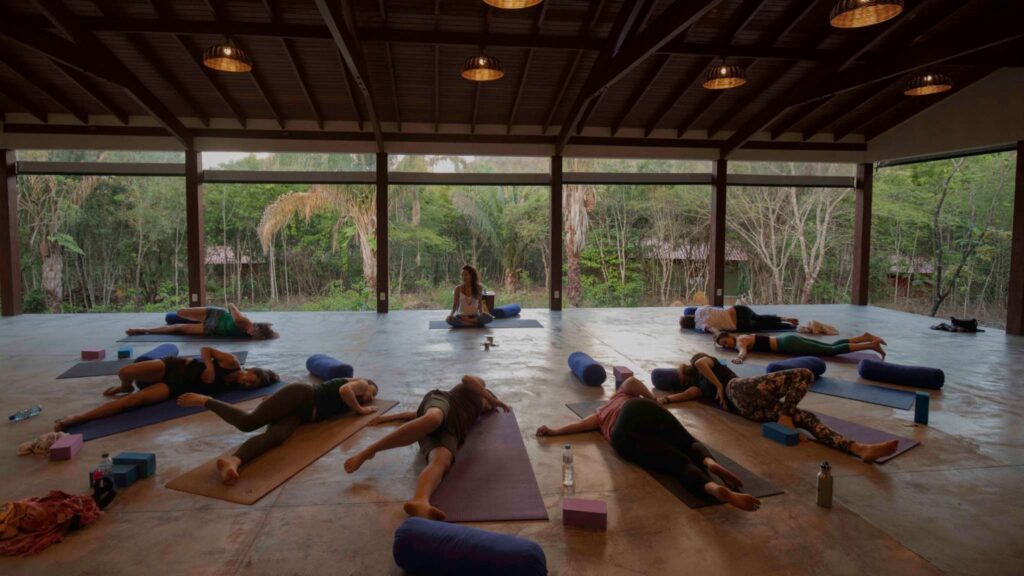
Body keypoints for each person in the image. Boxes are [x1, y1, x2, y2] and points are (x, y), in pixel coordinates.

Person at [536, 376, 760, 511]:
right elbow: (632, 381)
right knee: (688, 442)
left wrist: (553, 431)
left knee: (677, 464)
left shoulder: (600, 414)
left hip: (621, 436)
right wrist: (656, 403)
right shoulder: (621, 395)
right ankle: (709, 462)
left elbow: (581, 425)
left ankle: (711, 488)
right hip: (638, 409)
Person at [657, 352, 898, 463]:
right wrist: (666, 400)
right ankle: (785, 415)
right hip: (737, 389)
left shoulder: (702, 371)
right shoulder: (701, 370)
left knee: (807, 418)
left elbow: (698, 369)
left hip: (747, 409)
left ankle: (859, 449)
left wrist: (666, 399)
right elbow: (691, 383)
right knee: (803, 374)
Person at [343, 375, 509, 520]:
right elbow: (466, 378)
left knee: (443, 460)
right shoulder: (476, 389)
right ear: (486, 394)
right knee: (433, 418)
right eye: (489, 403)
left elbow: (416, 415)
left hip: (453, 430)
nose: (490, 407)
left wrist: (386, 419)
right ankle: (370, 450)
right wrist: (494, 399)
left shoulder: (474, 413)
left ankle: (420, 501)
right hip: (444, 403)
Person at [177, 377, 379, 485]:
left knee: (277, 437)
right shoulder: (359, 384)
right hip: (302, 396)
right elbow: (344, 391)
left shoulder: (354, 400)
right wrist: (361, 410)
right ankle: (205, 400)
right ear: (368, 384)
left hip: (302, 414)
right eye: (373, 392)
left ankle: (233, 461)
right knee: (249, 422)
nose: (371, 396)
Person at [53, 348, 277, 431]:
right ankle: (124, 385)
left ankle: (78, 418)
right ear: (251, 370)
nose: (247, 383)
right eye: (251, 378)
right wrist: (209, 367)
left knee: (134, 402)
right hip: (173, 366)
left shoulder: (230, 389)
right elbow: (206, 349)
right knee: (126, 371)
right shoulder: (232, 362)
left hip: (175, 386)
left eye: (251, 386)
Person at [713, 330, 886, 364]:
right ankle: (864, 337)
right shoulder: (743, 336)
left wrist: (739, 357)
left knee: (831, 351)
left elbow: (742, 351)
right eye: (724, 346)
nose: (727, 346)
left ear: (729, 337)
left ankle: (870, 344)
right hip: (788, 338)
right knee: (830, 345)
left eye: (725, 342)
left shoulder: (740, 341)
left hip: (788, 344)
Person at [126, 304, 278, 340]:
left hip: (212, 328)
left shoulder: (248, 336)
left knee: (178, 328)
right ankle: (173, 317)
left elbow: (273, 334)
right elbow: (231, 305)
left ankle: (143, 329)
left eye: (254, 335)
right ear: (255, 326)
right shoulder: (243, 321)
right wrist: (232, 314)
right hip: (216, 315)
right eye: (254, 331)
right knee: (180, 313)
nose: (251, 334)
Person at [680, 305, 798, 333]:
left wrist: (718, 334)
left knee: (763, 326)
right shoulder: (700, 309)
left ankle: (789, 326)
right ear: (689, 316)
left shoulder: (698, 325)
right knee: (760, 317)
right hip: (737, 310)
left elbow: (711, 329)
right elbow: (717, 308)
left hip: (738, 324)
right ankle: (784, 318)